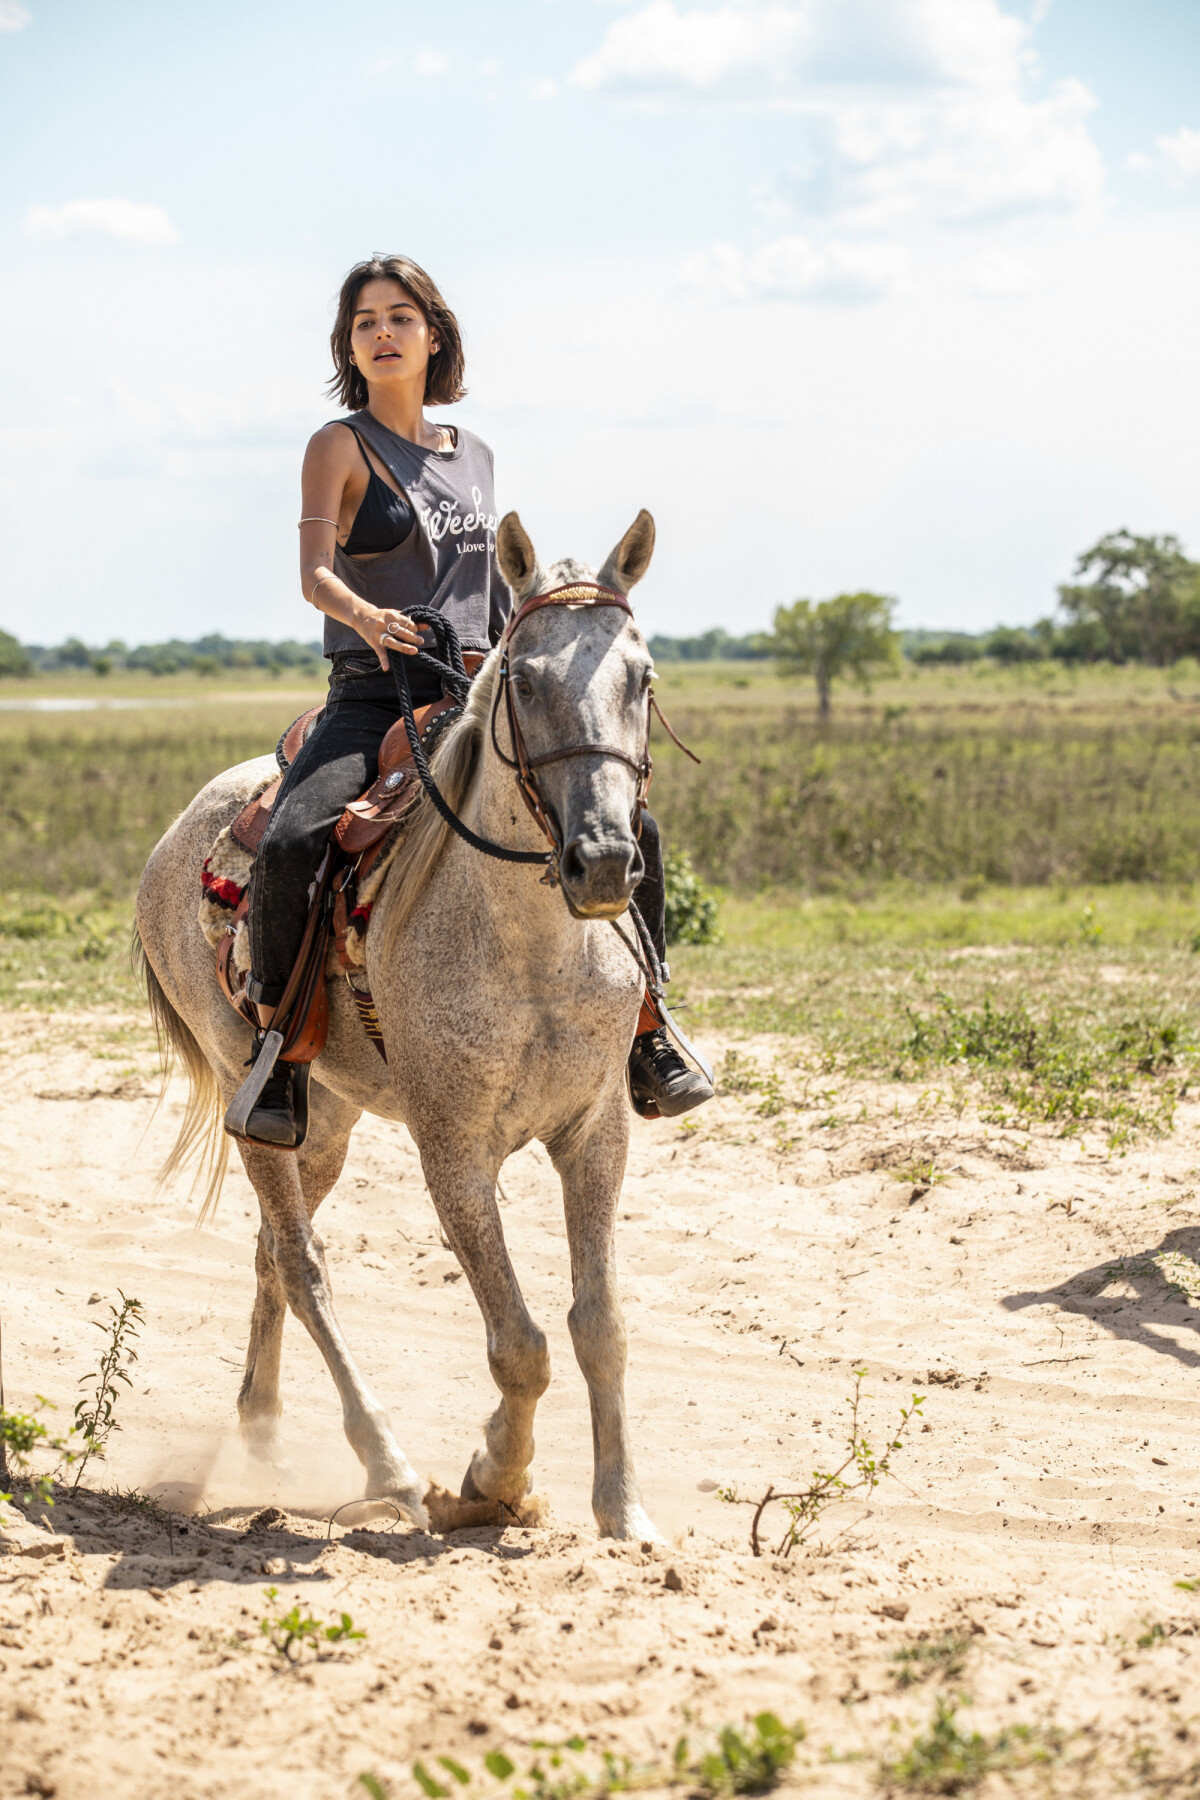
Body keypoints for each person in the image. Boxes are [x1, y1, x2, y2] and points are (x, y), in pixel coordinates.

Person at [243, 253, 712, 1145]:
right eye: (365, 321)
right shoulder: (337, 446)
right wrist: (367, 616)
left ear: (434, 335)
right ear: (350, 343)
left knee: (630, 827)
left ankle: (649, 1029)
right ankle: (279, 1054)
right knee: (298, 838)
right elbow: (311, 574)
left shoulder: (477, 455)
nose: (383, 333)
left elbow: (494, 589)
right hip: (372, 691)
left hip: (472, 688)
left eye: (400, 317)